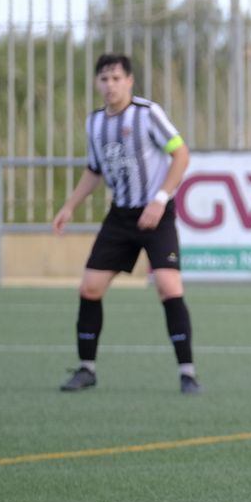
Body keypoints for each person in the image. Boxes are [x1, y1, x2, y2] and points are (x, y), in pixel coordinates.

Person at [51, 53, 199, 395]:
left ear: (129, 81)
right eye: (104, 79)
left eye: (116, 78)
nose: (110, 85)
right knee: (90, 288)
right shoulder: (94, 123)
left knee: (168, 286)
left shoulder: (148, 114)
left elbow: (181, 154)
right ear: (97, 83)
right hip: (120, 216)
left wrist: (159, 199)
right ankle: (86, 369)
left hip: (156, 213)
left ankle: (187, 373)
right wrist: (69, 206)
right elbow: (94, 170)